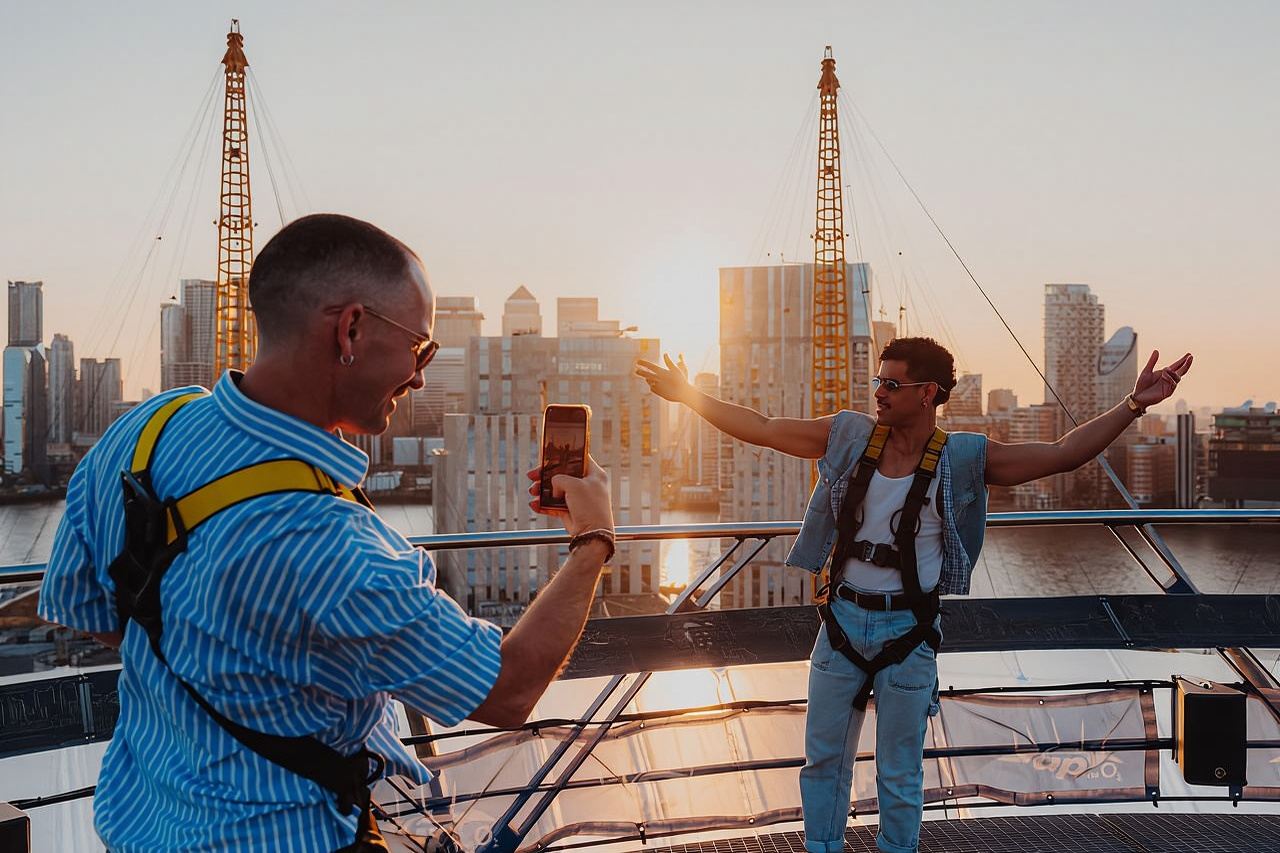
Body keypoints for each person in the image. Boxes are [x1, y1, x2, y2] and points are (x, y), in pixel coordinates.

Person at [37, 213, 616, 852]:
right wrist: (593, 538)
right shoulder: (334, 546)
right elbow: (507, 690)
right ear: (351, 328)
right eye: (420, 348)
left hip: (141, 825)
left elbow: (93, 615)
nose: (421, 375)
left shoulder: (147, 428)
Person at [636, 337, 1191, 853]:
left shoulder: (965, 458)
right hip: (842, 623)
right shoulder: (849, 436)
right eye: (879, 382)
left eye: (891, 385)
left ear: (927, 394)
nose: (879, 393)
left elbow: (1063, 453)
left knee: (899, 769)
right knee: (823, 762)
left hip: (908, 633)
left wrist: (1133, 405)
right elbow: (761, 427)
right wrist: (689, 397)